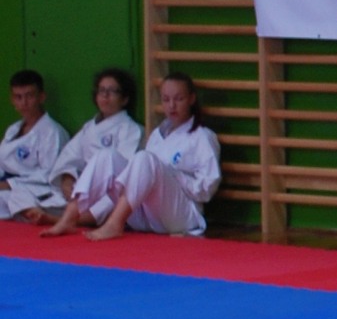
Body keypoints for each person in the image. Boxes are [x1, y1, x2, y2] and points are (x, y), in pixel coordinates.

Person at [45, 72, 221, 240]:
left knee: (145, 159)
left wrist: (172, 175)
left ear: (191, 99)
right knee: (106, 156)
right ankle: (70, 216)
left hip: (182, 215)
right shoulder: (157, 135)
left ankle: (115, 223)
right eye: (166, 99)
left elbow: (207, 189)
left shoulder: (202, 137)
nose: (172, 106)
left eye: (179, 99)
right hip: (148, 215)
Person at [41, 68, 144, 221]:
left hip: (109, 191)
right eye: (101, 90)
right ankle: (67, 214)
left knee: (113, 194)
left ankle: (78, 219)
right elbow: (70, 156)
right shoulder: (89, 127)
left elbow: (123, 173)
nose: (105, 96)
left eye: (112, 91)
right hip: (82, 187)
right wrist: (67, 178)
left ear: (124, 99)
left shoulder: (131, 129)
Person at [0, 69, 70, 222]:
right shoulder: (13, 129)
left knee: (12, 197)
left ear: (41, 97)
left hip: (39, 191)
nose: (24, 103)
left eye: (29, 96)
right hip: (11, 188)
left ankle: (39, 215)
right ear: (12, 100)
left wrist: (10, 184)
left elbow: (48, 175)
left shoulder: (52, 132)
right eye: (18, 97)